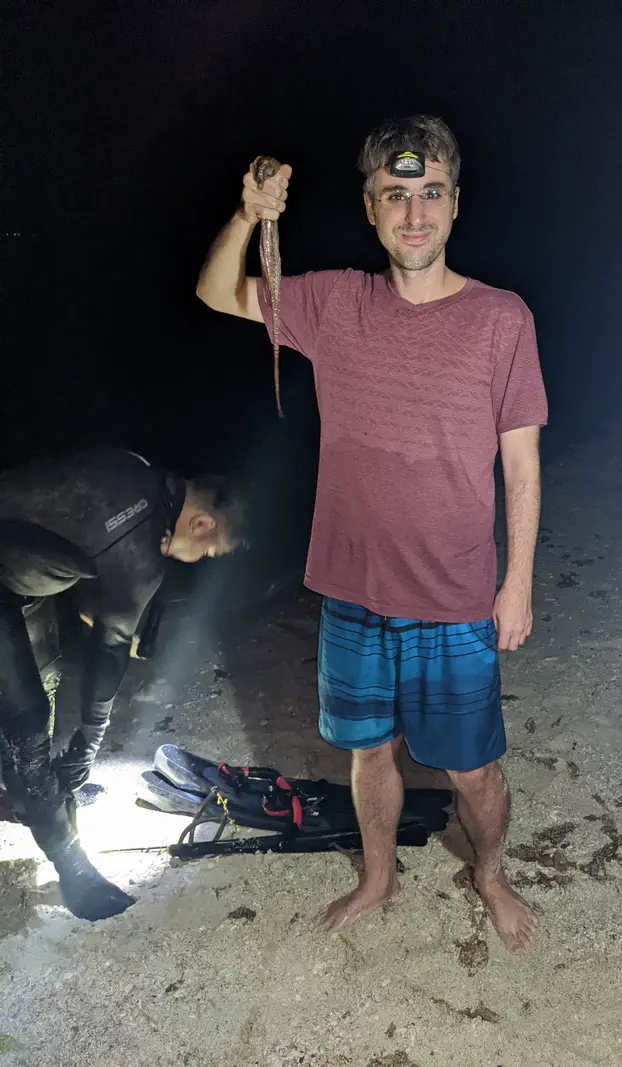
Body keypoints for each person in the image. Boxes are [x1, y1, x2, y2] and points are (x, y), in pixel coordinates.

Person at [196, 115, 547, 952]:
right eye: (397, 195)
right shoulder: (332, 303)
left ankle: (489, 870)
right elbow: (215, 291)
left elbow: (522, 468)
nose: (414, 213)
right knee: (369, 752)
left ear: (456, 204)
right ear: (370, 207)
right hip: (351, 591)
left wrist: (517, 582)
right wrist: (248, 215)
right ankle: (379, 875)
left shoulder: (503, 319)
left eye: (430, 194)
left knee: (472, 767)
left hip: (456, 593)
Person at [0, 447, 244, 920]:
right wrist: (88, 743)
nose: (202, 559)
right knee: (24, 721)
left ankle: (40, 794)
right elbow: (111, 644)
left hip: (14, 571)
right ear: (201, 525)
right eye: (211, 551)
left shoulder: (138, 470)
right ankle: (69, 863)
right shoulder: (139, 547)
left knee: (44, 679)